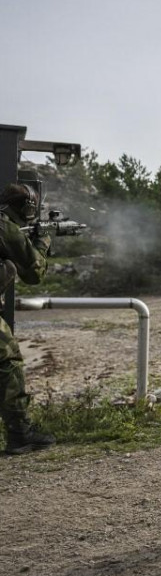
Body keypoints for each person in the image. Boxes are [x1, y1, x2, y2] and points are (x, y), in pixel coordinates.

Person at [0, 182, 55, 454]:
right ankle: (20, 434)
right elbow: (34, 274)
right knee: (7, 362)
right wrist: (42, 243)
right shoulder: (4, 227)